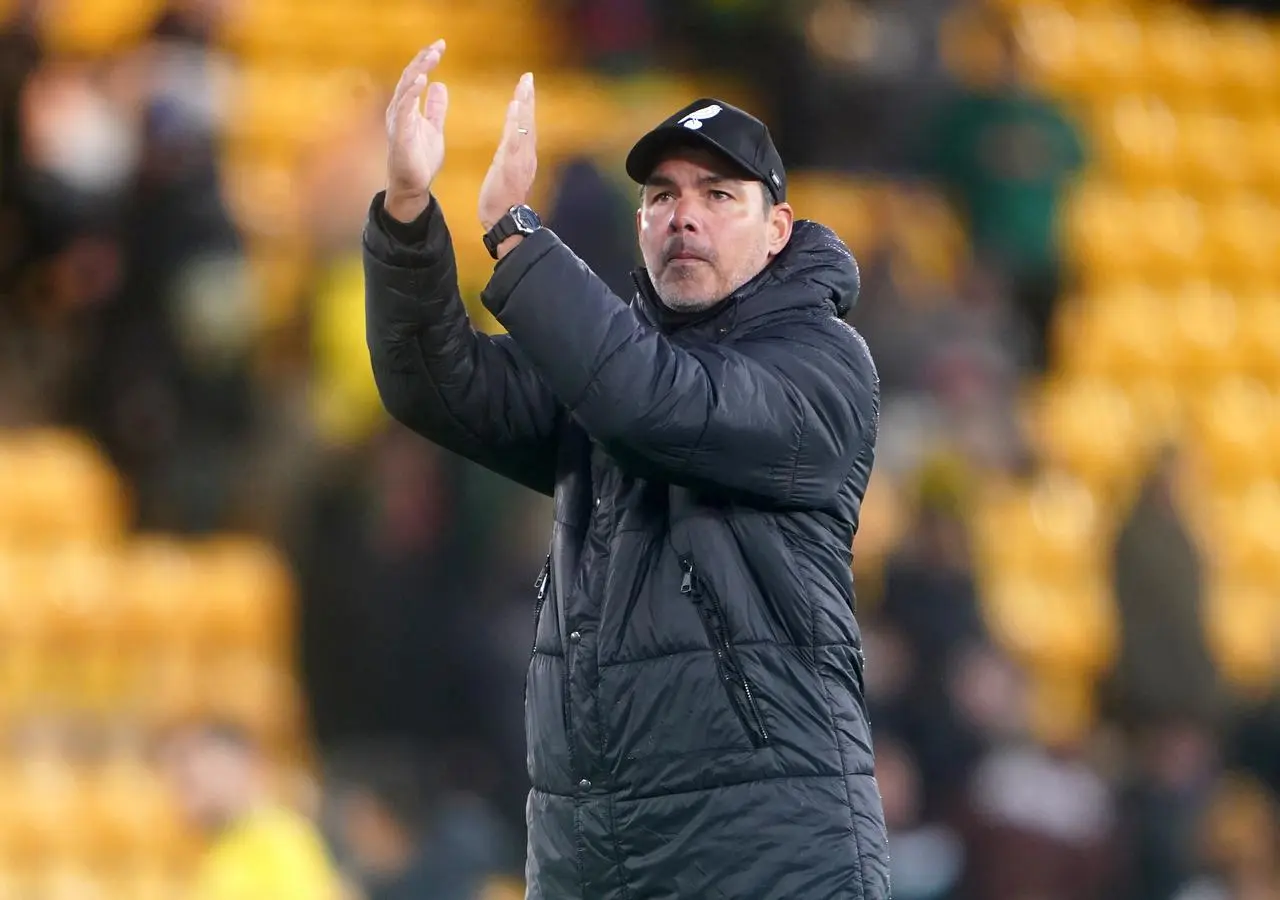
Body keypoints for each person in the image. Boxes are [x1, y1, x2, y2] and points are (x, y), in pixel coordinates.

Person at [363, 40, 887, 900]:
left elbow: (656, 408)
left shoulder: (822, 363)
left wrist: (515, 234)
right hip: (596, 860)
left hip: (766, 858)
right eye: (661, 196)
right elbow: (436, 386)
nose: (683, 215)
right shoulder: (610, 366)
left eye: (718, 195)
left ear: (778, 230)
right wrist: (411, 209)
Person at [159, 720, 343, 900]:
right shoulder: (224, 847)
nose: (183, 797)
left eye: (190, 781)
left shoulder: (277, 838)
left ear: (233, 766)